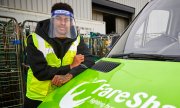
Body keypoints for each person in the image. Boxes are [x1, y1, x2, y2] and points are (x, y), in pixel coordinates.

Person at [24, 2, 95, 108]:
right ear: (52, 21)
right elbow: (40, 72)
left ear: (71, 22)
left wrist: (69, 75)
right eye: (58, 18)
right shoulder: (35, 39)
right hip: (38, 97)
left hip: (63, 93)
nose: (62, 23)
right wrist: (70, 66)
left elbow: (89, 60)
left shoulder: (77, 39)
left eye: (66, 19)